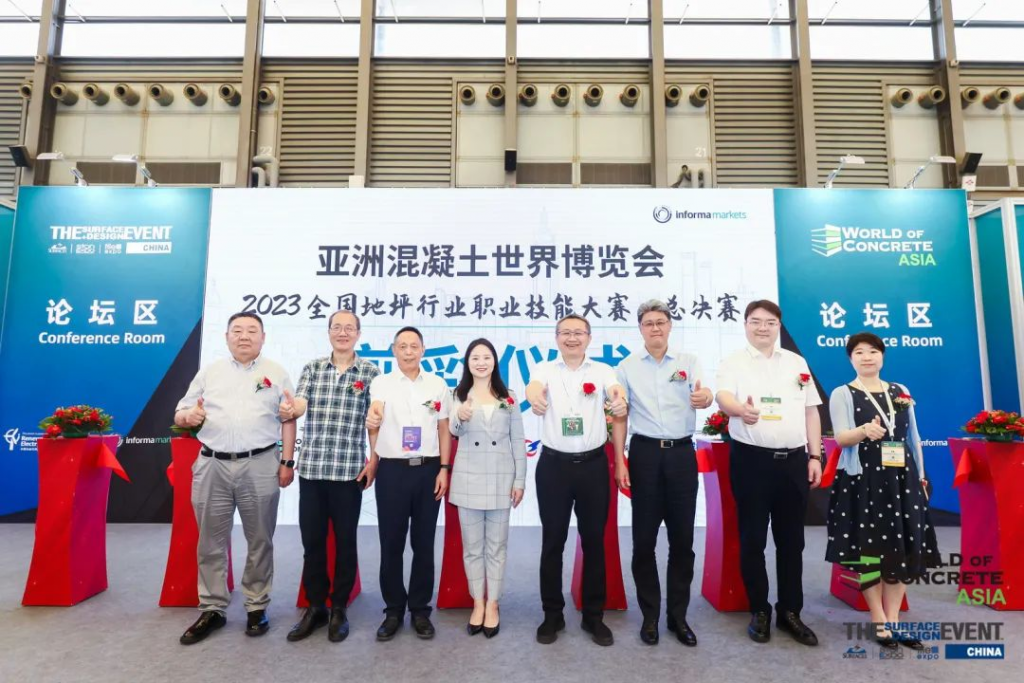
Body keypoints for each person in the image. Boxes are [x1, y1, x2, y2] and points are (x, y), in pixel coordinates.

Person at [174, 312, 296, 645]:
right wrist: (189, 416)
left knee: (260, 540)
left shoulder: (276, 373)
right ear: (226, 336)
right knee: (210, 541)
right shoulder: (210, 372)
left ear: (263, 337)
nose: (244, 336)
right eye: (237, 330)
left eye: (252, 331)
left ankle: (256, 606)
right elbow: (180, 414)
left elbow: (289, 417)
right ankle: (213, 608)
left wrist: (287, 461)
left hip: (260, 463)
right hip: (212, 464)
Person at [715, 299, 822, 646]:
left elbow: (811, 411)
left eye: (770, 322)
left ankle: (790, 611)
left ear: (778, 326)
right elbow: (723, 397)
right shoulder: (733, 362)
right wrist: (739, 410)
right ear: (746, 324)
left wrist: (815, 455)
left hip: (793, 462)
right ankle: (759, 610)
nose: (763, 327)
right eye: (756, 321)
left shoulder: (796, 362)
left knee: (792, 542)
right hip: (752, 463)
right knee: (753, 539)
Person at [826, 332, 940, 650]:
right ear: (850, 358)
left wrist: (921, 478)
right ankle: (878, 619)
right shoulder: (843, 393)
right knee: (869, 550)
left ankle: (894, 620)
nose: (867, 357)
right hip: (864, 481)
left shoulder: (900, 391)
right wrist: (864, 431)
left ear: (883, 356)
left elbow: (913, 436)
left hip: (902, 479)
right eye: (859, 352)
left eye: (873, 351)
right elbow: (841, 438)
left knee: (903, 547)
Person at [525, 314, 629, 647]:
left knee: (594, 541)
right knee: (552, 541)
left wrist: (618, 399)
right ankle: (552, 615)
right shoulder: (545, 369)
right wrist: (534, 397)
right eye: (566, 333)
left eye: (578, 333)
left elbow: (614, 390)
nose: (572, 338)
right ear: (557, 337)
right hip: (553, 468)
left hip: (593, 467)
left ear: (589, 337)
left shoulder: (602, 370)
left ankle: (593, 616)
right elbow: (533, 387)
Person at [614, 300, 713, 646]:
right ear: (640, 329)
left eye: (661, 322)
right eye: (648, 323)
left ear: (670, 326)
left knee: (682, 541)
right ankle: (650, 616)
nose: (655, 328)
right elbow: (620, 415)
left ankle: (678, 617)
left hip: (682, 455)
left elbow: (704, 393)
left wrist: (705, 397)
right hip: (644, 455)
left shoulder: (689, 362)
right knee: (643, 542)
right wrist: (620, 460)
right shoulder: (626, 367)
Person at [284, 310, 381, 643]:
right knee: (312, 543)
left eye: (349, 328)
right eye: (336, 327)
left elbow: (374, 421)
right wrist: (292, 409)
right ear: (328, 333)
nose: (342, 333)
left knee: (345, 542)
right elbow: (300, 403)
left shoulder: (369, 372)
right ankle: (316, 607)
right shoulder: (313, 368)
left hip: (349, 472)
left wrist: (374, 459)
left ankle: (339, 607)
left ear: (358, 334)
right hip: (312, 470)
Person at [364, 326, 452, 641]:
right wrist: (373, 449)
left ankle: (419, 609)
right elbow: (375, 418)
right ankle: (393, 610)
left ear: (423, 350)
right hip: (392, 471)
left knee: (423, 543)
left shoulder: (438, 384)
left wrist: (444, 468)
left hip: (428, 470)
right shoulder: (381, 383)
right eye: (402, 346)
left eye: (414, 346)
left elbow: (444, 428)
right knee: (391, 543)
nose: (408, 351)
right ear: (394, 350)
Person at [448, 338, 527, 639]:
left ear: (495, 361)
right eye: (475, 358)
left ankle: (492, 603)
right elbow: (453, 430)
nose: (481, 362)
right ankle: (477, 603)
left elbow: (517, 440)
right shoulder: (458, 395)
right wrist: (460, 416)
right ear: (467, 363)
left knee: (496, 547)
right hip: (468, 479)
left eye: (486, 357)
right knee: (472, 548)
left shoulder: (509, 397)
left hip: (500, 480)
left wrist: (519, 480)